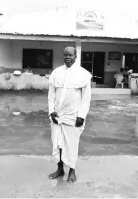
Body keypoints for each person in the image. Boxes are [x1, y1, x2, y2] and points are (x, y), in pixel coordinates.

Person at [48, 46, 92, 183]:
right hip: (57, 116)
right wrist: (51, 111)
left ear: (76, 56)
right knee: (57, 143)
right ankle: (60, 169)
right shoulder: (56, 73)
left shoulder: (83, 74)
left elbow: (86, 98)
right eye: (66, 55)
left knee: (72, 144)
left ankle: (72, 171)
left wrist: (82, 116)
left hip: (74, 117)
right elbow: (51, 95)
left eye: (70, 55)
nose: (68, 57)